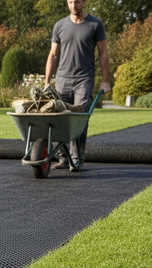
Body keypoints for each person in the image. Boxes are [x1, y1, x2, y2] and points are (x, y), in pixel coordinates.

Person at [44, 0, 110, 170]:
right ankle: (63, 158)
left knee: (80, 119)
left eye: (77, 1)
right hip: (63, 79)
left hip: (84, 79)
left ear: (84, 2)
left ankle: (77, 159)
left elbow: (103, 53)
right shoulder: (59, 26)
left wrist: (105, 80)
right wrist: (47, 82)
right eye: (70, 2)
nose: (74, 5)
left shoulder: (95, 24)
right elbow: (53, 55)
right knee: (59, 117)